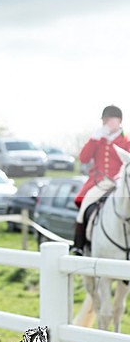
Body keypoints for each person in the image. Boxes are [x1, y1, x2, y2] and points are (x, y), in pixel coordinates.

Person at [71, 105, 130, 255]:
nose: (106, 123)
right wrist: (93, 139)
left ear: (119, 121)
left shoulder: (126, 141)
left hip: (121, 184)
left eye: (110, 120)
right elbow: (83, 159)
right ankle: (79, 245)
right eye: (105, 120)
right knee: (85, 206)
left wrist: (120, 178)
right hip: (100, 183)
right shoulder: (98, 140)